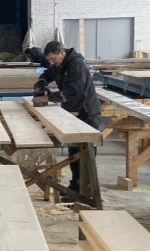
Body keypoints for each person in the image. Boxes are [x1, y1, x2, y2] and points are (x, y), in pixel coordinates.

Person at [33, 39, 102, 195]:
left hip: (87, 113)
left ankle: (88, 191)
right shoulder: (59, 64)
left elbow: (74, 91)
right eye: (49, 60)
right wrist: (41, 83)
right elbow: (48, 74)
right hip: (73, 112)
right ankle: (76, 186)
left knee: (86, 153)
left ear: (61, 53)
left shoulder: (77, 65)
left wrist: (48, 97)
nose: (52, 62)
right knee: (74, 151)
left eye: (53, 58)